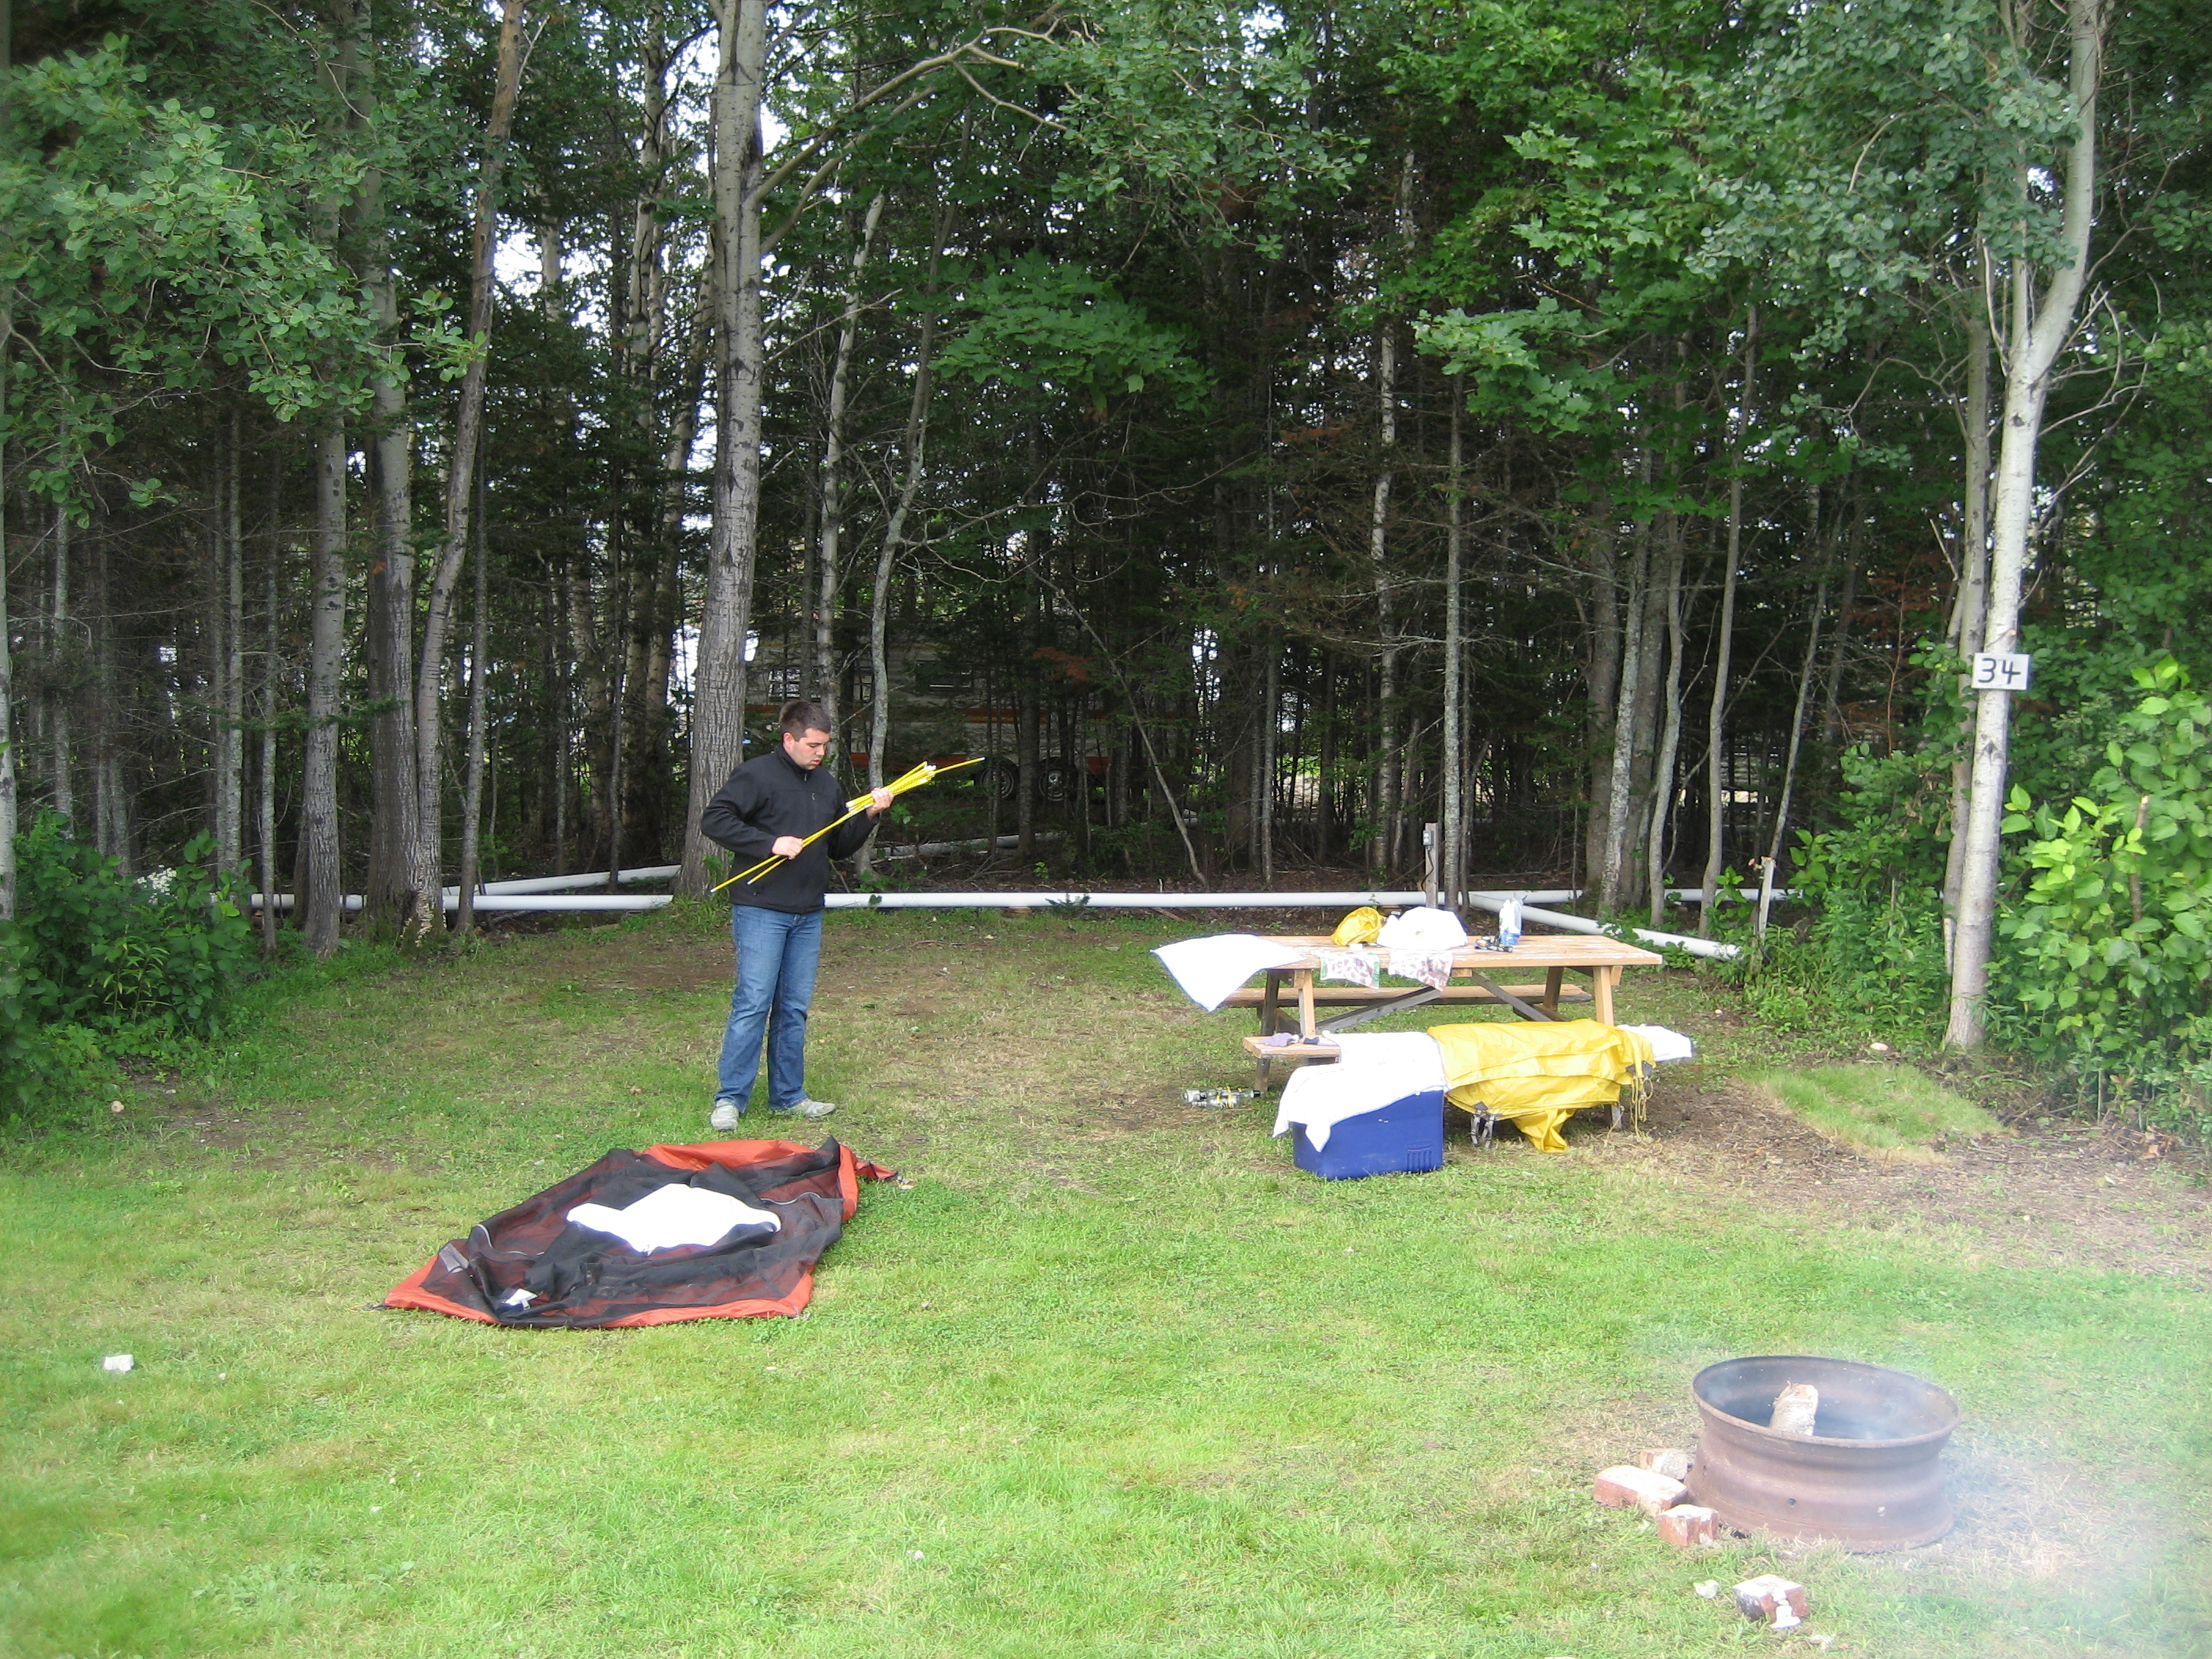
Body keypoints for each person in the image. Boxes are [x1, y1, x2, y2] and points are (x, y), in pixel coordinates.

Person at [700, 701, 893, 1130]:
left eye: (825, 746)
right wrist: (769, 843)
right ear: (789, 739)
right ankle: (730, 1099)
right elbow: (714, 820)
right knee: (753, 1003)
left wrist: (870, 814)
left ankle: (788, 1097)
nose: (820, 753)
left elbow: (838, 846)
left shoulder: (826, 784)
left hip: (807, 912)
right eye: (813, 745)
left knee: (793, 1008)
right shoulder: (756, 774)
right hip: (761, 908)